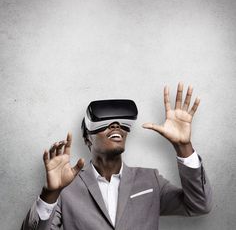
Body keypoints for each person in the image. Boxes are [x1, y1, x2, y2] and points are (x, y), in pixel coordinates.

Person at [21, 83, 212, 230]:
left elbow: (199, 205)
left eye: (121, 123)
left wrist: (183, 146)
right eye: (105, 122)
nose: (115, 125)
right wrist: (50, 194)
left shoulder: (150, 180)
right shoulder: (66, 190)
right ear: (87, 139)